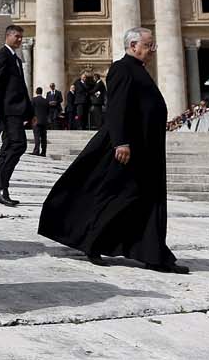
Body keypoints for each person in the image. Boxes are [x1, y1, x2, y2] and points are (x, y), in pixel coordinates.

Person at [39, 27, 186, 273]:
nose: (153, 50)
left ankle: (151, 253)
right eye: (150, 45)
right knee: (116, 195)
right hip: (128, 146)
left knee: (145, 198)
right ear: (133, 46)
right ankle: (91, 242)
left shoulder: (138, 69)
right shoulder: (122, 68)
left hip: (146, 147)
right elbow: (117, 108)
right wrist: (121, 142)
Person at [0, 24, 31, 207]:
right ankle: (0, 187)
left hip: (18, 110)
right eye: (17, 36)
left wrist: (31, 112)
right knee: (18, 145)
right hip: (9, 110)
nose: (19, 40)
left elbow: (21, 87)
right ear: (7, 36)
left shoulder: (17, 59)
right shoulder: (2, 54)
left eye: (21, 37)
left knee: (7, 150)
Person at [30, 87, 51, 156]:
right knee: (44, 137)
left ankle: (36, 150)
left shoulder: (34, 100)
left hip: (36, 121)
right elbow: (48, 111)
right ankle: (43, 152)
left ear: (36, 92)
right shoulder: (46, 101)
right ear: (41, 92)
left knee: (37, 136)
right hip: (44, 121)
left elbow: (31, 110)